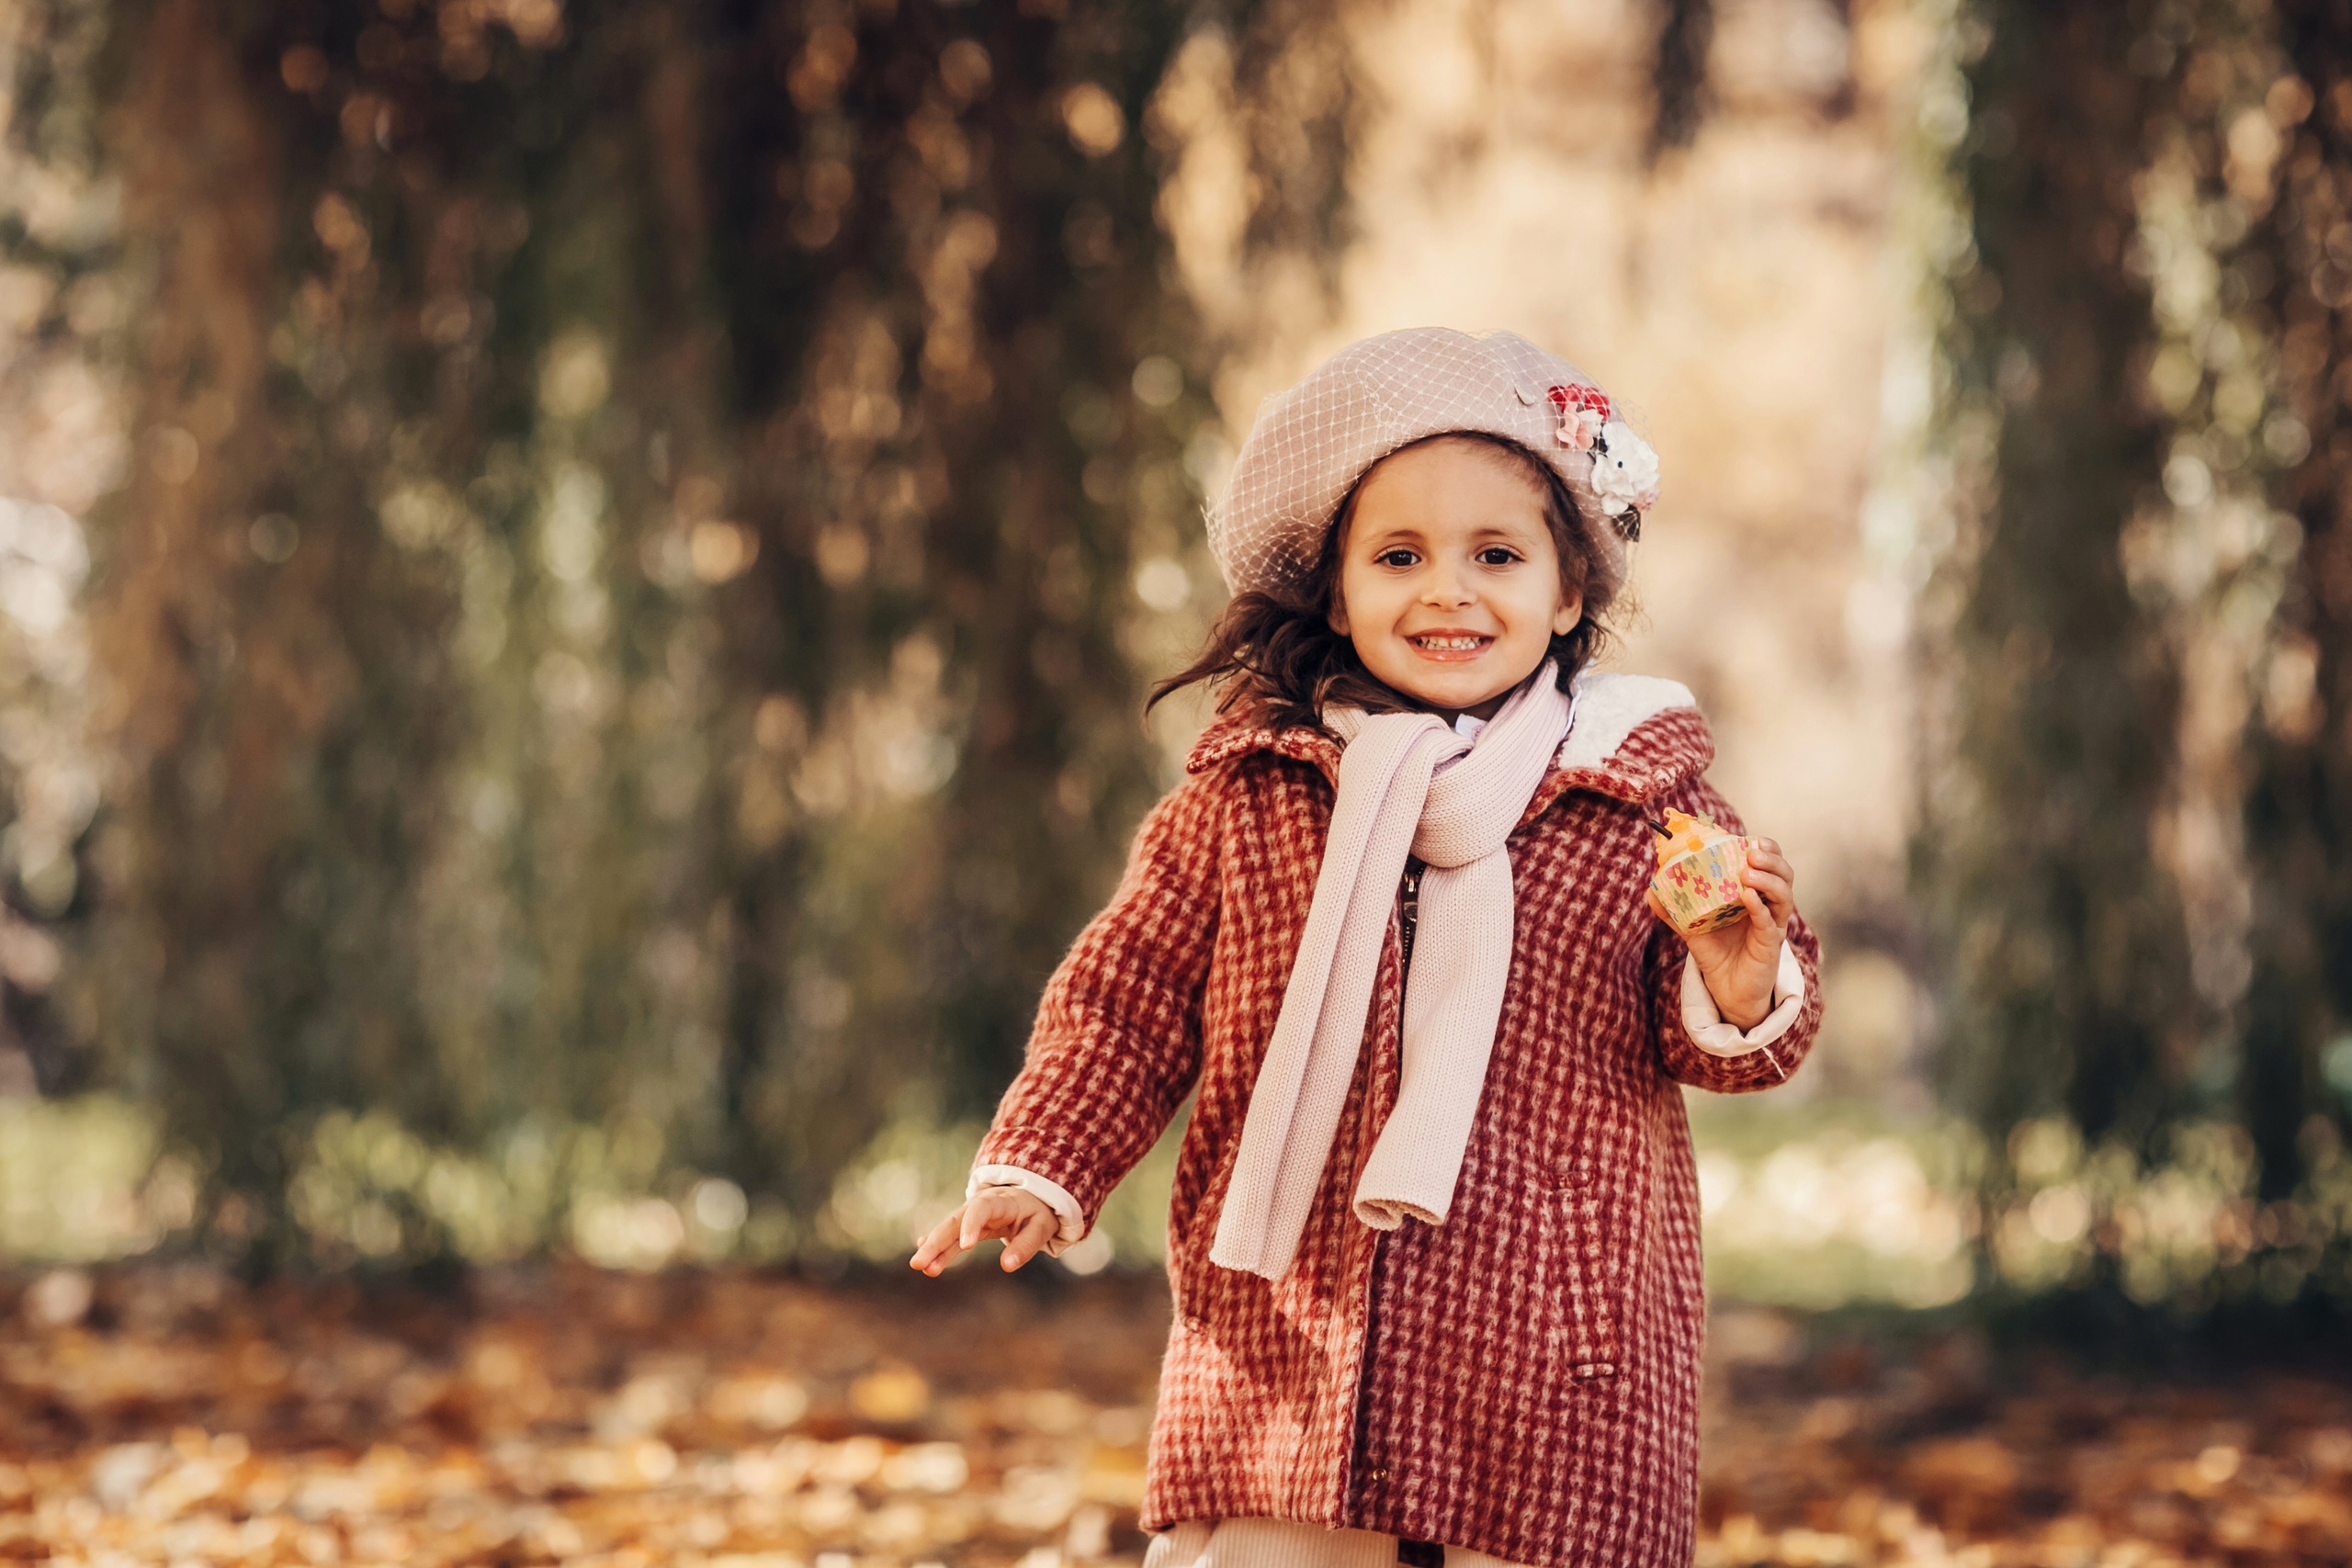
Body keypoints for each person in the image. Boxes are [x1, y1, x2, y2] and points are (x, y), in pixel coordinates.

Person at [910, 329, 1822, 1568]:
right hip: (1298, 1332)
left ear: (1566, 594)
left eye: (1495, 555)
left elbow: (1726, 1037)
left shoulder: (1639, 800)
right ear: (1338, 595)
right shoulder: (1256, 793)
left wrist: (1737, 973)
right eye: (1401, 557)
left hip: (1550, 1345)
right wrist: (1044, 1158)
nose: (1448, 590)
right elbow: (1127, 998)